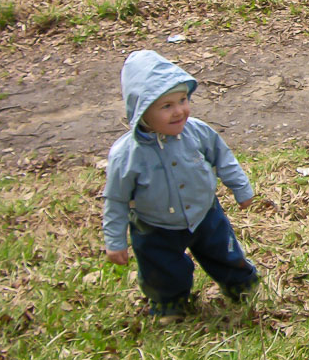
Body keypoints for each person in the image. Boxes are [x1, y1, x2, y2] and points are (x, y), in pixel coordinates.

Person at [103, 50, 260, 320]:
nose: (179, 111)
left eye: (183, 100)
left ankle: (241, 285)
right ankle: (170, 304)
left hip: (205, 214)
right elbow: (116, 200)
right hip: (154, 227)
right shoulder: (126, 155)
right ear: (142, 112)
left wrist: (241, 189)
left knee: (224, 252)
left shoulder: (197, 131)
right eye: (166, 106)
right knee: (162, 270)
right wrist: (115, 241)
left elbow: (223, 158)